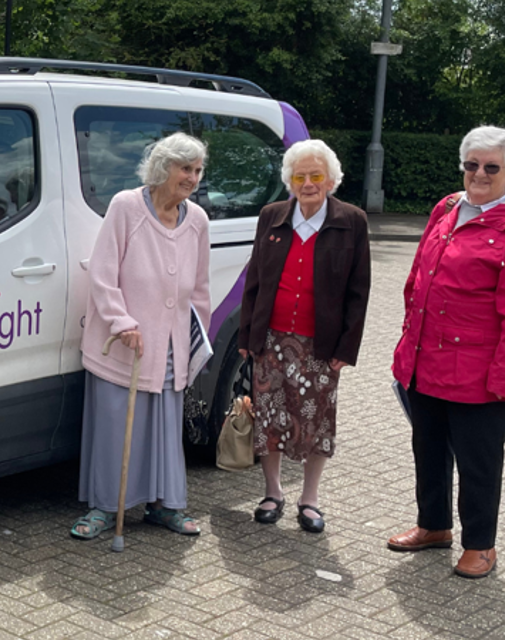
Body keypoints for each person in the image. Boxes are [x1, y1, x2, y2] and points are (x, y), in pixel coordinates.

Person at [388, 125, 505, 579]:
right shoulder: (447, 207)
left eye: (492, 167)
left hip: (480, 373)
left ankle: (481, 545)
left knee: (479, 462)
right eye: (472, 164)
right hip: (425, 360)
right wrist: (406, 347)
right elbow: (418, 277)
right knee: (428, 447)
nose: (480, 173)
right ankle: (433, 526)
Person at [71, 132, 211, 539]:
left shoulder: (197, 220)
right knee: (116, 423)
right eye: (186, 168)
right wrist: (121, 322)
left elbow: (199, 287)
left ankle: (165, 506)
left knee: (166, 425)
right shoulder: (127, 206)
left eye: (198, 170)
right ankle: (103, 508)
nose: (193, 178)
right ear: (162, 168)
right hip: (125, 342)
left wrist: (194, 339)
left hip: (170, 343)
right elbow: (102, 272)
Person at [238, 139, 370, 534]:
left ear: (330, 180)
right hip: (272, 338)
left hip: (320, 343)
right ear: (290, 180)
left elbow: (358, 290)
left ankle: (309, 497)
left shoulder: (352, 220)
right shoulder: (272, 216)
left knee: (316, 420)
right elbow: (255, 279)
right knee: (269, 416)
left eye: (316, 176)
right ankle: (273, 491)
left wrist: (347, 347)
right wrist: (247, 334)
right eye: (300, 176)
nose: (308, 183)